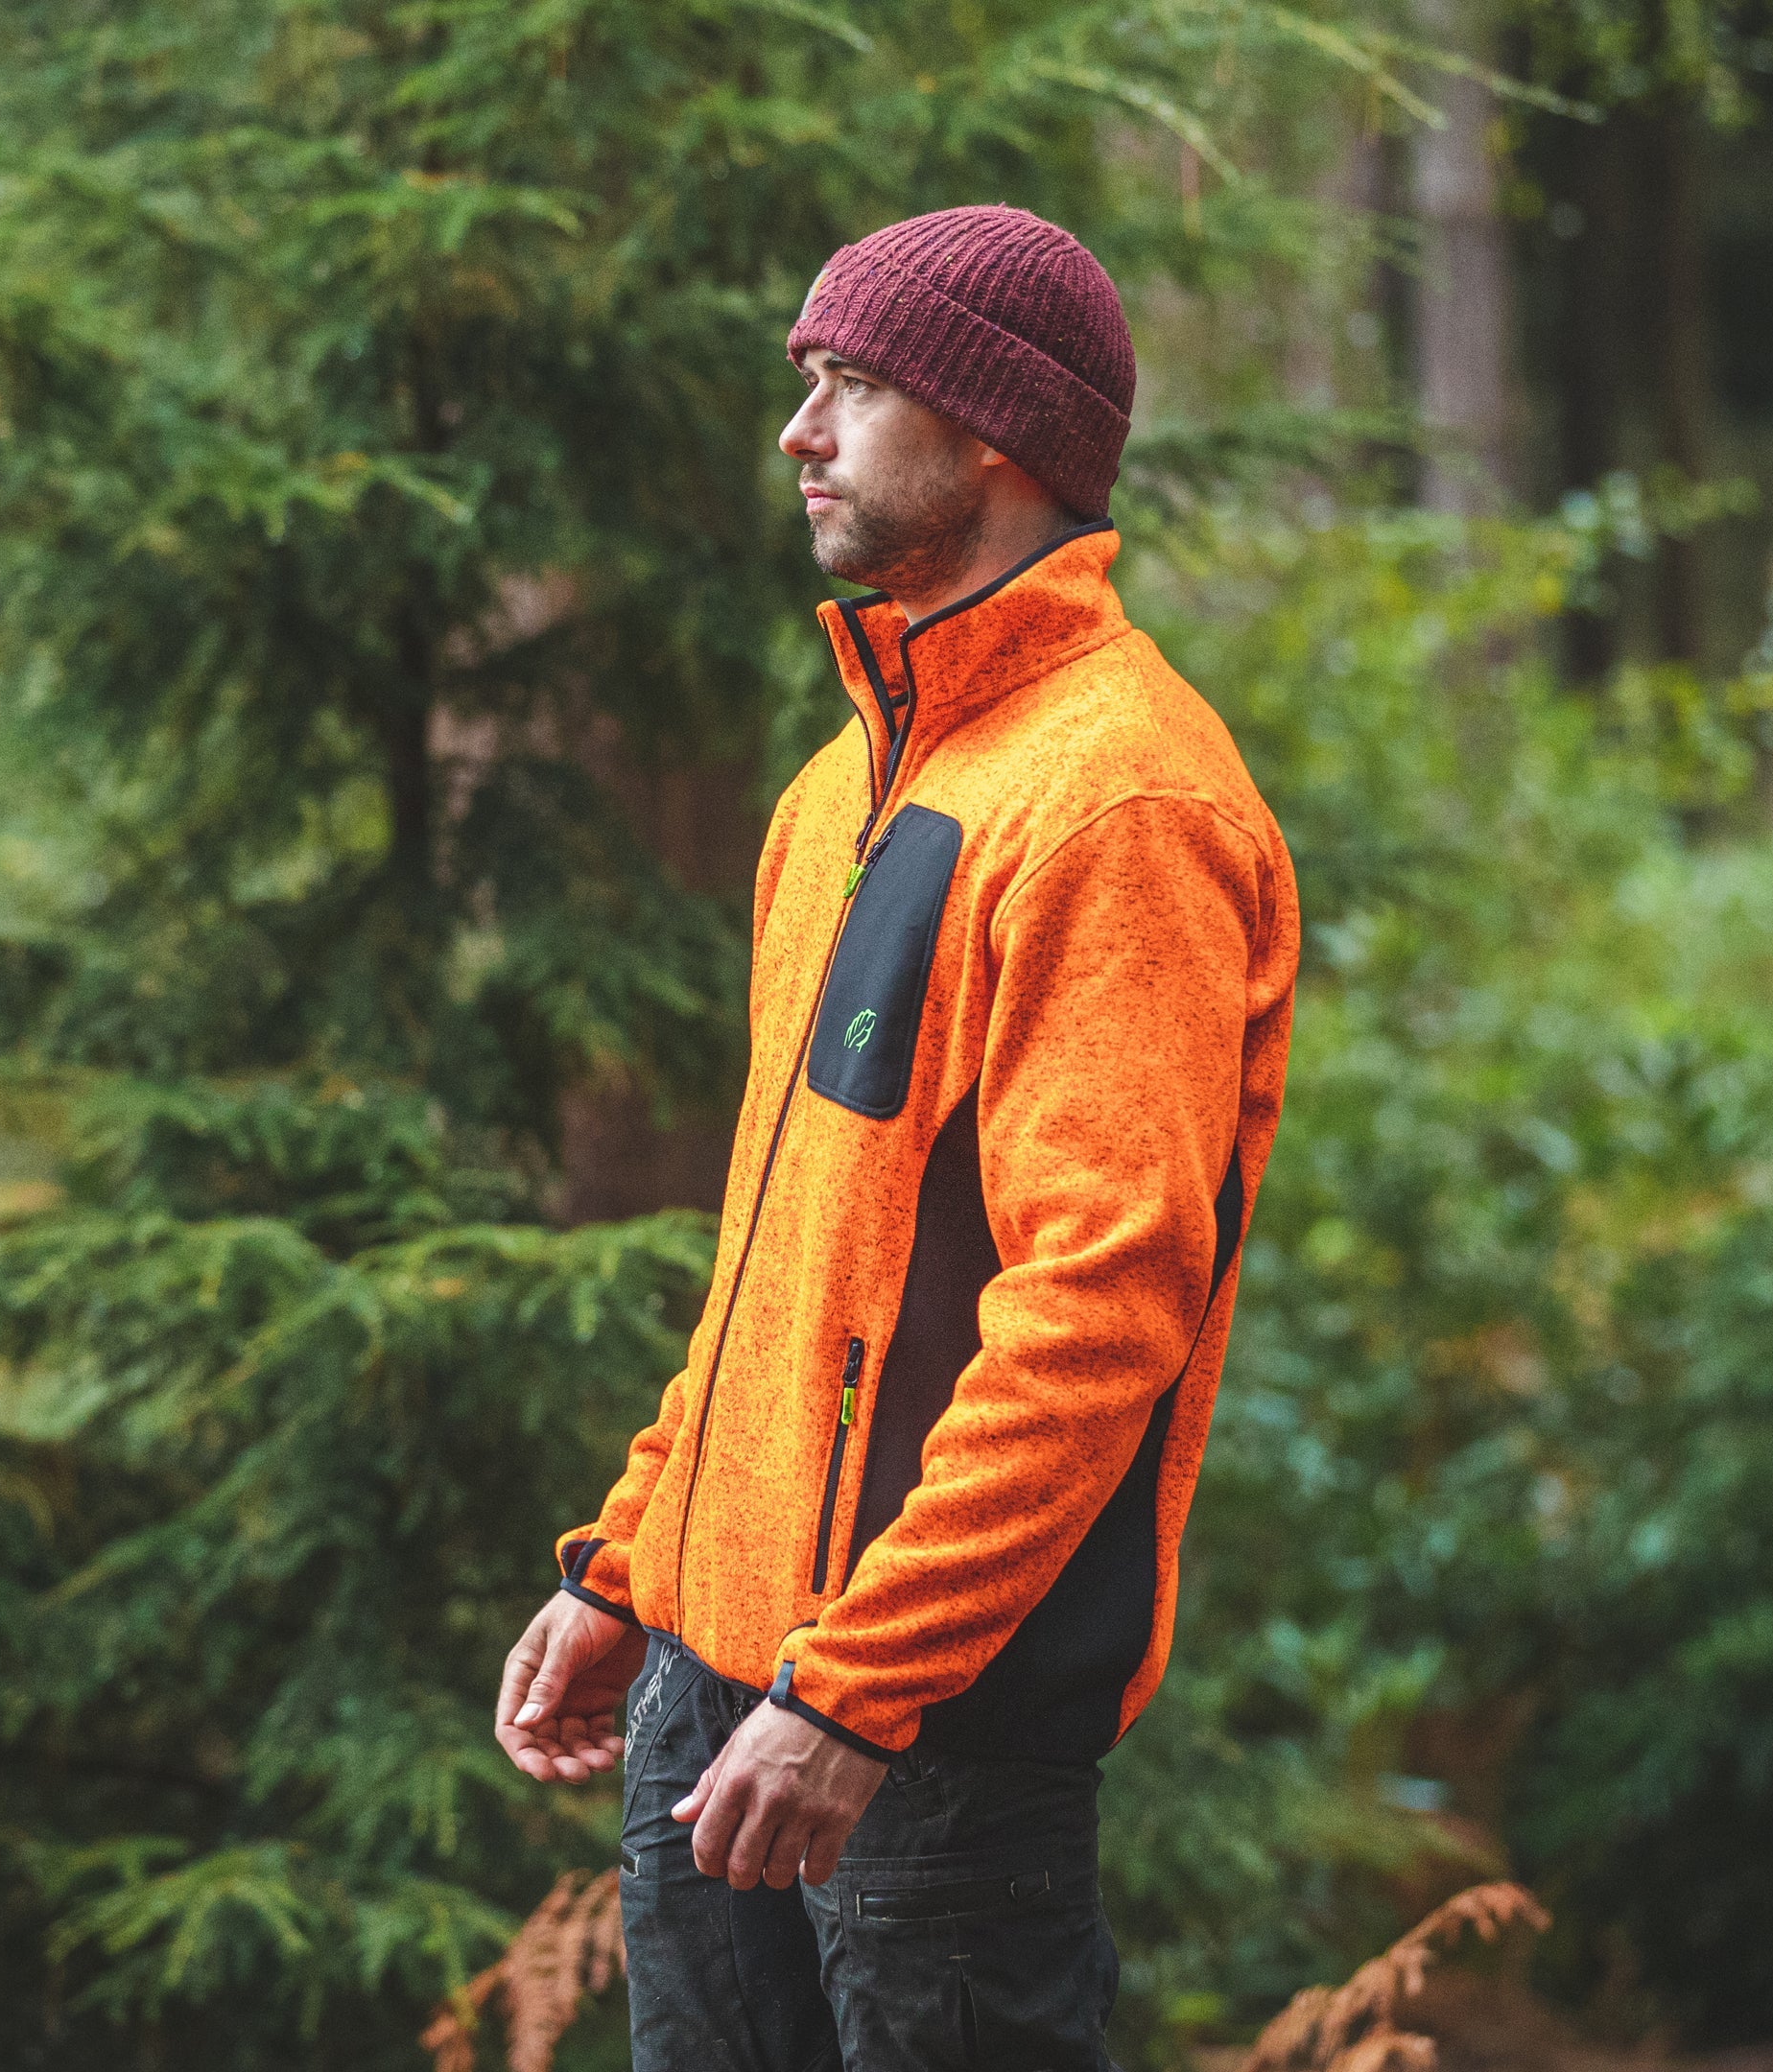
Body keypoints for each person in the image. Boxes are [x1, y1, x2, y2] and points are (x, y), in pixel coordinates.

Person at [494, 203, 1301, 2070]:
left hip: (921, 1739)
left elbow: (1099, 1314)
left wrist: (861, 1691)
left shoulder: (1122, 805)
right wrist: (635, 1560)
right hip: (719, 1691)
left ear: (994, 430)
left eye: (850, 385)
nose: (800, 431)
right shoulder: (844, 784)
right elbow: (784, 1274)